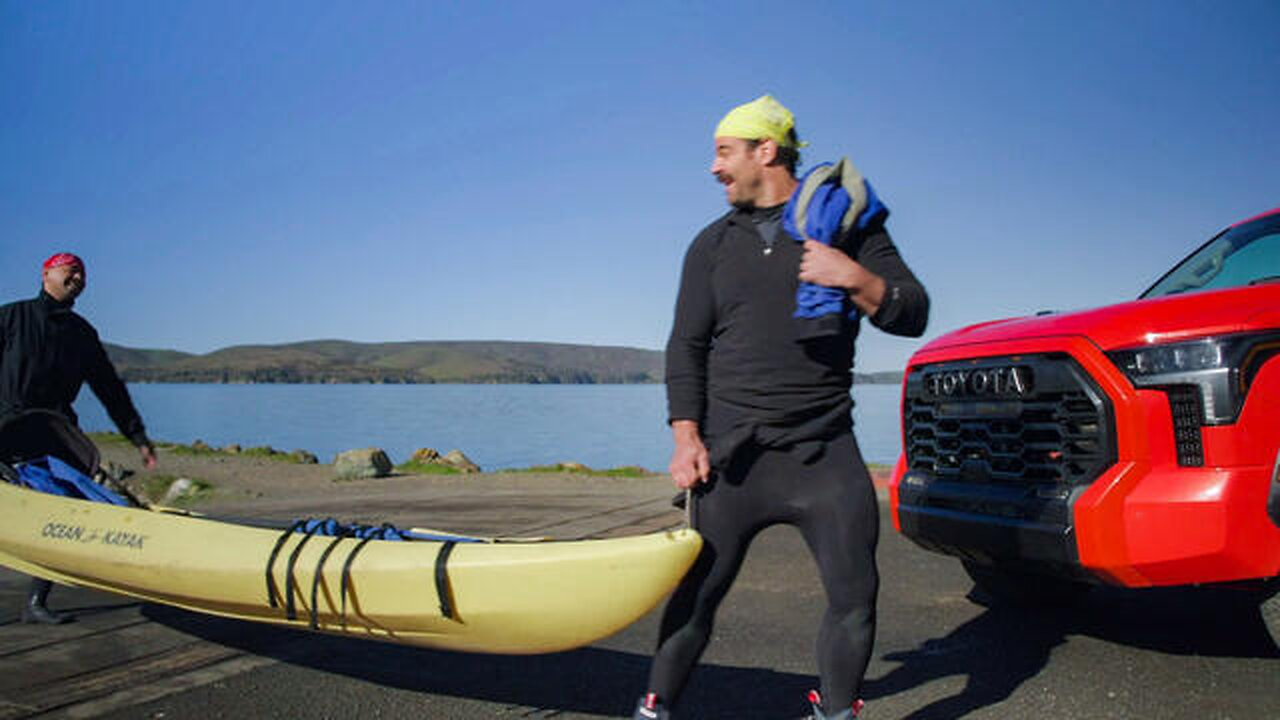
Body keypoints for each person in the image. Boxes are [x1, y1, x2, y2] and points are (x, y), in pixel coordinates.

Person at [633, 96, 929, 720]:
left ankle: (836, 712)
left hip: (822, 452)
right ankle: (654, 709)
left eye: (723, 152)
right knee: (696, 598)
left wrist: (855, 277)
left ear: (765, 151)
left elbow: (913, 310)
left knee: (856, 596)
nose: (713, 168)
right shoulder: (711, 245)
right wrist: (686, 437)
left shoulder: (850, 228)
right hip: (732, 457)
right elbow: (685, 345)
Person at [0, 252, 157, 624]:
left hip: (56, 436)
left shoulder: (82, 333)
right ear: (46, 273)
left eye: (83, 272)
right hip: (6, 431)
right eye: (70, 268)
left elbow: (108, 387)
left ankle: (37, 602)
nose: (78, 276)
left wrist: (136, 435)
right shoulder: (11, 317)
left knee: (60, 515)